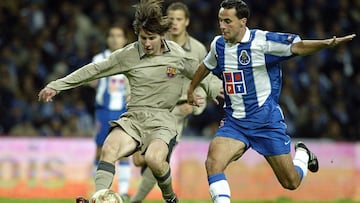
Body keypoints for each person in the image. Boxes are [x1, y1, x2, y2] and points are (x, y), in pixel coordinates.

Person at [38, 0, 220, 202]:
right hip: (134, 117)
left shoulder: (177, 54)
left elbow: (200, 72)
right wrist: (57, 85)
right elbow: (95, 70)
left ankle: (170, 198)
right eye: (143, 38)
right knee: (109, 148)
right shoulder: (129, 54)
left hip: (163, 121)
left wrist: (218, 89)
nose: (147, 43)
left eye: (152, 38)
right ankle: (98, 198)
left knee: (153, 159)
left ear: (162, 35)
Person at [187, 0, 356, 202]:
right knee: (213, 163)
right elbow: (206, 65)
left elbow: (299, 47)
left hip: (266, 122)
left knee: (291, 182)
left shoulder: (262, 41)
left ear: (243, 21)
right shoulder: (218, 45)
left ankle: (302, 154)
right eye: (220, 21)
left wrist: (327, 43)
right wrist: (191, 88)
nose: (222, 26)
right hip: (235, 123)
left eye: (227, 21)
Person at [130, 2, 221, 202]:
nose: (174, 23)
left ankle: (134, 200)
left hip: (179, 111)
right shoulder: (156, 42)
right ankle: (141, 157)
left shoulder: (197, 48)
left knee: (158, 159)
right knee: (143, 161)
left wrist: (197, 104)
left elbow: (202, 77)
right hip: (151, 105)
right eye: (170, 19)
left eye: (179, 19)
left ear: (187, 21)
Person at [91, 24, 131, 200]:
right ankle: (99, 191)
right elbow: (89, 79)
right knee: (100, 149)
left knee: (123, 150)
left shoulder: (131, 58)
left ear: (124, 39)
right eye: (112, 35)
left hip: (124, 110)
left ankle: (123, 191)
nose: (115, 39)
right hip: (104, 110)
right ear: (107, 39)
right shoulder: (99, 58)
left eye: (119, 35)